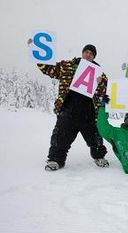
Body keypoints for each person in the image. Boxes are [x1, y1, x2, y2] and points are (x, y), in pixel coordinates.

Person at [28, 39, 109, 171]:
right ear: (82, 53)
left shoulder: (99, 72)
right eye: (86, 52)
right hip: (68, 108)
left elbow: (104, 92)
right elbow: (49, 69)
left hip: (88, 111)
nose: (88, 55)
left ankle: (99, 156)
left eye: (91, 54)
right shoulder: (67, 65)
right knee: (60, 135)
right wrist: (35, 50)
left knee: (95, 136)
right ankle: (55, 160)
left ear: (94, 57)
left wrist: (100, 82)